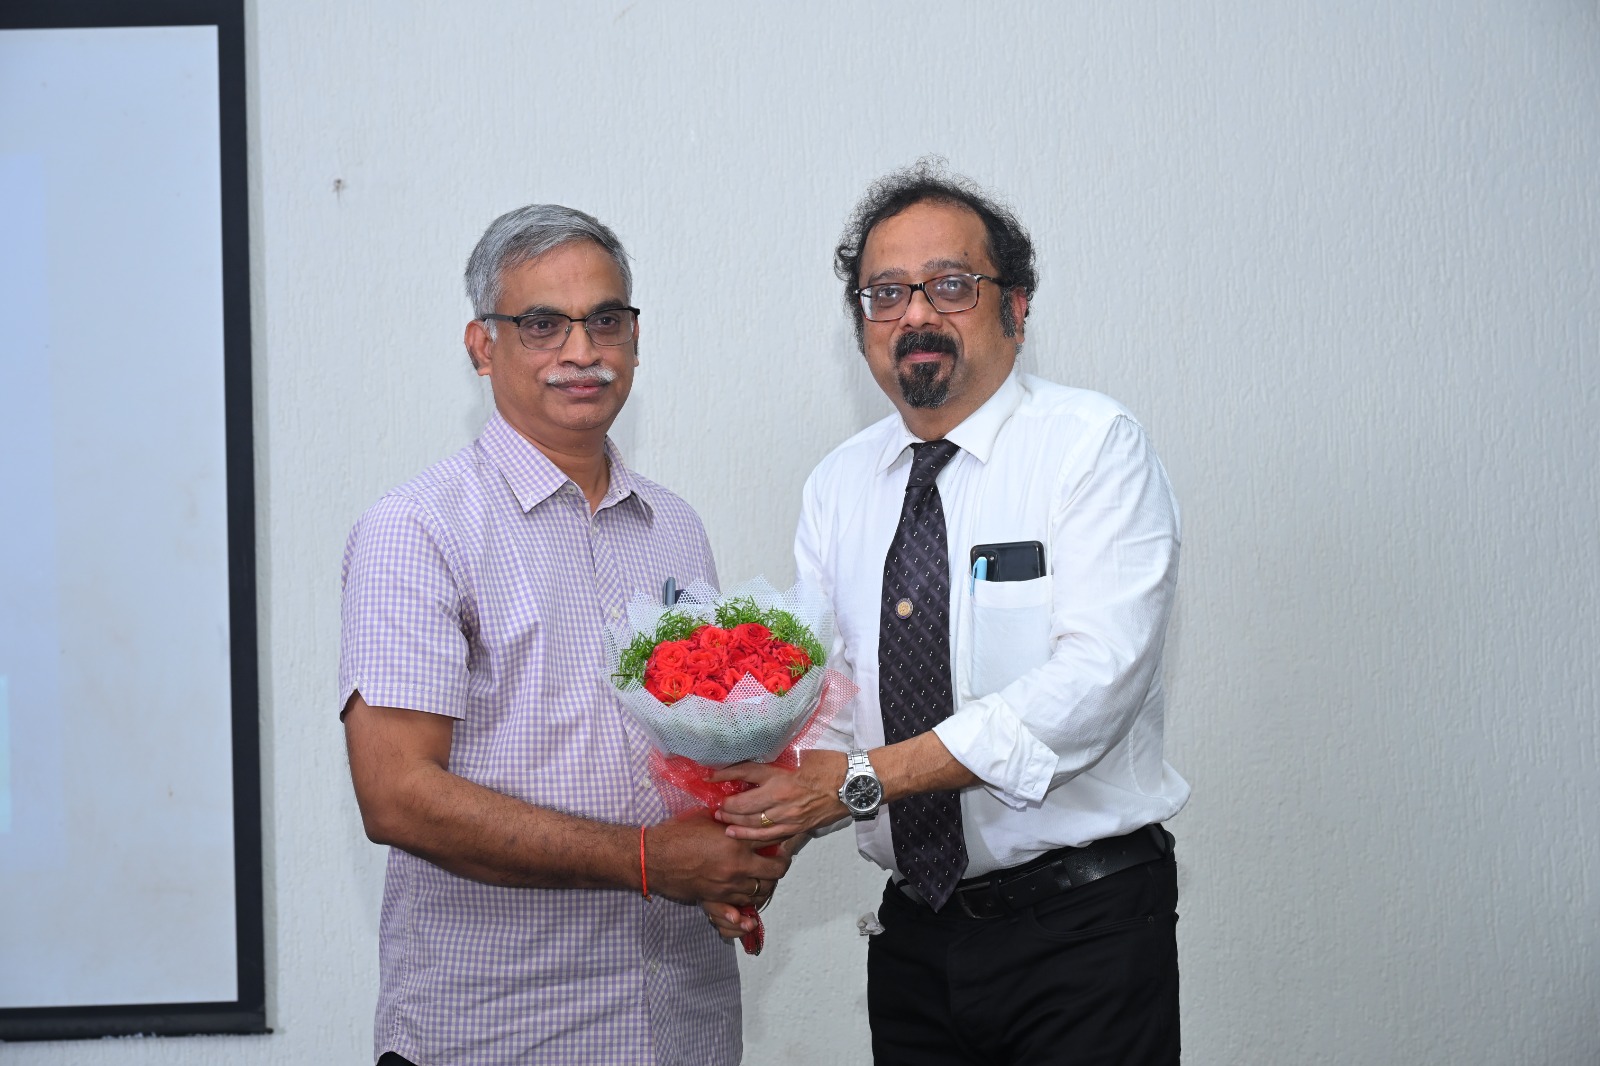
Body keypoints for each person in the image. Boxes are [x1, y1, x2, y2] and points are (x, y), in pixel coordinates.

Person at [710, 163, 1190, 1064]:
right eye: (886, 293)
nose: (916, 315)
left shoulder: (1091, 448)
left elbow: (1094, 684)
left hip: (1081, 935)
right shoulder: (837, 486)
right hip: (914, 941)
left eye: (951, 285)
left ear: (1017, 308)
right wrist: (753, 841)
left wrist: (863, 781)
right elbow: (833, 708)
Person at [339, 204, 786, 1066]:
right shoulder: (419, 529)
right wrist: (649, 860)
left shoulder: (674, 527)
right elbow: (395, 796)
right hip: (503, 1032)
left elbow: (697, 750)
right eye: (543, 324)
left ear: (635, 339)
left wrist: (737, 845)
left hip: (684, 1026)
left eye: (606, 321)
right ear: (482, 346)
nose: (583, 351)